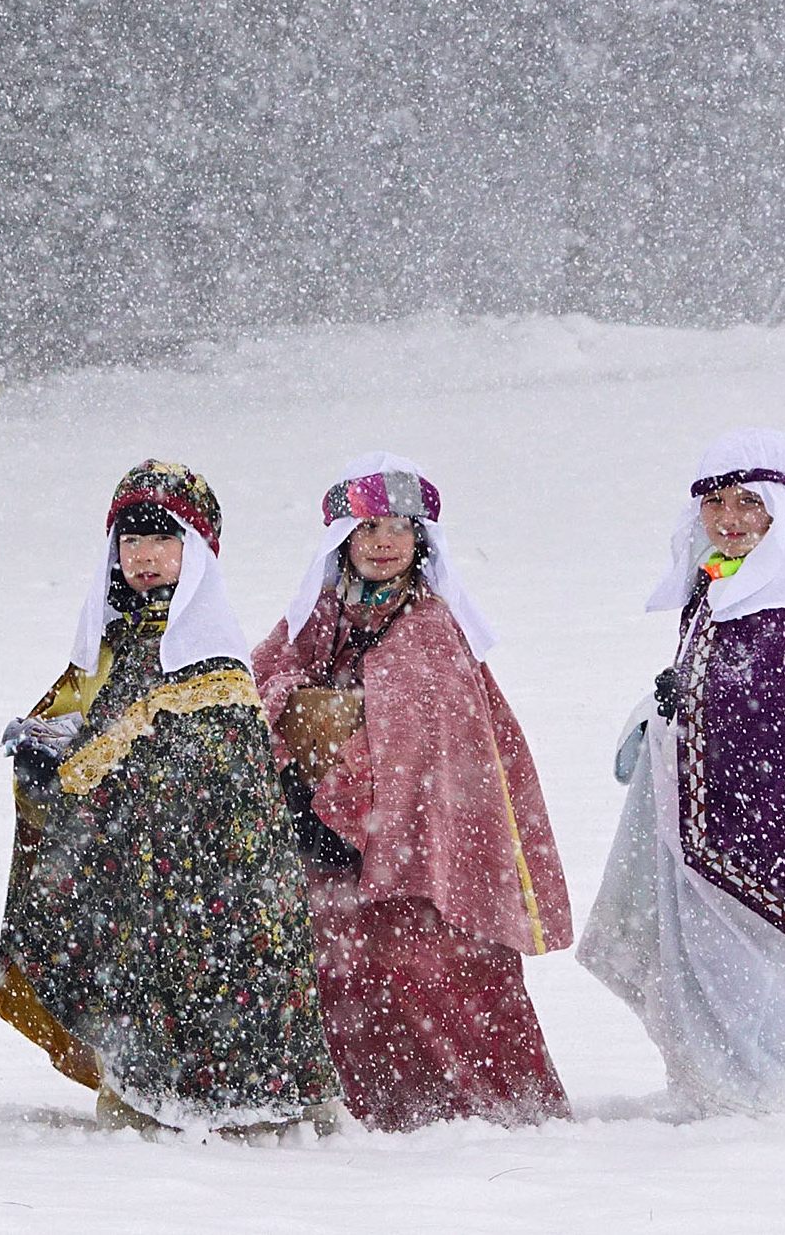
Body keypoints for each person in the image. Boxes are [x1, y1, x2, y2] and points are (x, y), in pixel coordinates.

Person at [0, 459, 340, 1135]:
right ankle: (147, 1089)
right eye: (128, 541)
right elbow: (98, 726)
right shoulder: (116, 640)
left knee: (207, 973)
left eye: (162, 540)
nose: (143, 556)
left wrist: (74, 774)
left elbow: (191, 761)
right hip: (138, 873)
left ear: (197, 551)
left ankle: (234, 1104)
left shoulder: (209, 650)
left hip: (209, 878)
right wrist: (48, 752)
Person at [252, 453, 572, 1130]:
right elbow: (259, 682)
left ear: (420, 540)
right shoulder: (317, 615)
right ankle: (358, 1103)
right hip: (325, 844)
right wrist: (291, 758)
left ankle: (468, 1105)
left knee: (427, 966)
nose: (382, 542)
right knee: (331, 965)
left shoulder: (428, 629)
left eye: (398, 526)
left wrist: (350, 799)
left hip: (415, 859)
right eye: (366, 530)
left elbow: (423, 747)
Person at [577, 429, 785, 1119]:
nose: (730, 517)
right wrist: (662, 721)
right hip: (709, 820)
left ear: (781, 511)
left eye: (748, 501)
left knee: (760, 968)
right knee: (708, 965)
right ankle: (718, 1085)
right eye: (715, 500)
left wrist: (700, 729)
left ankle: (764, 1094)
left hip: (773, 836)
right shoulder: (716, 588)